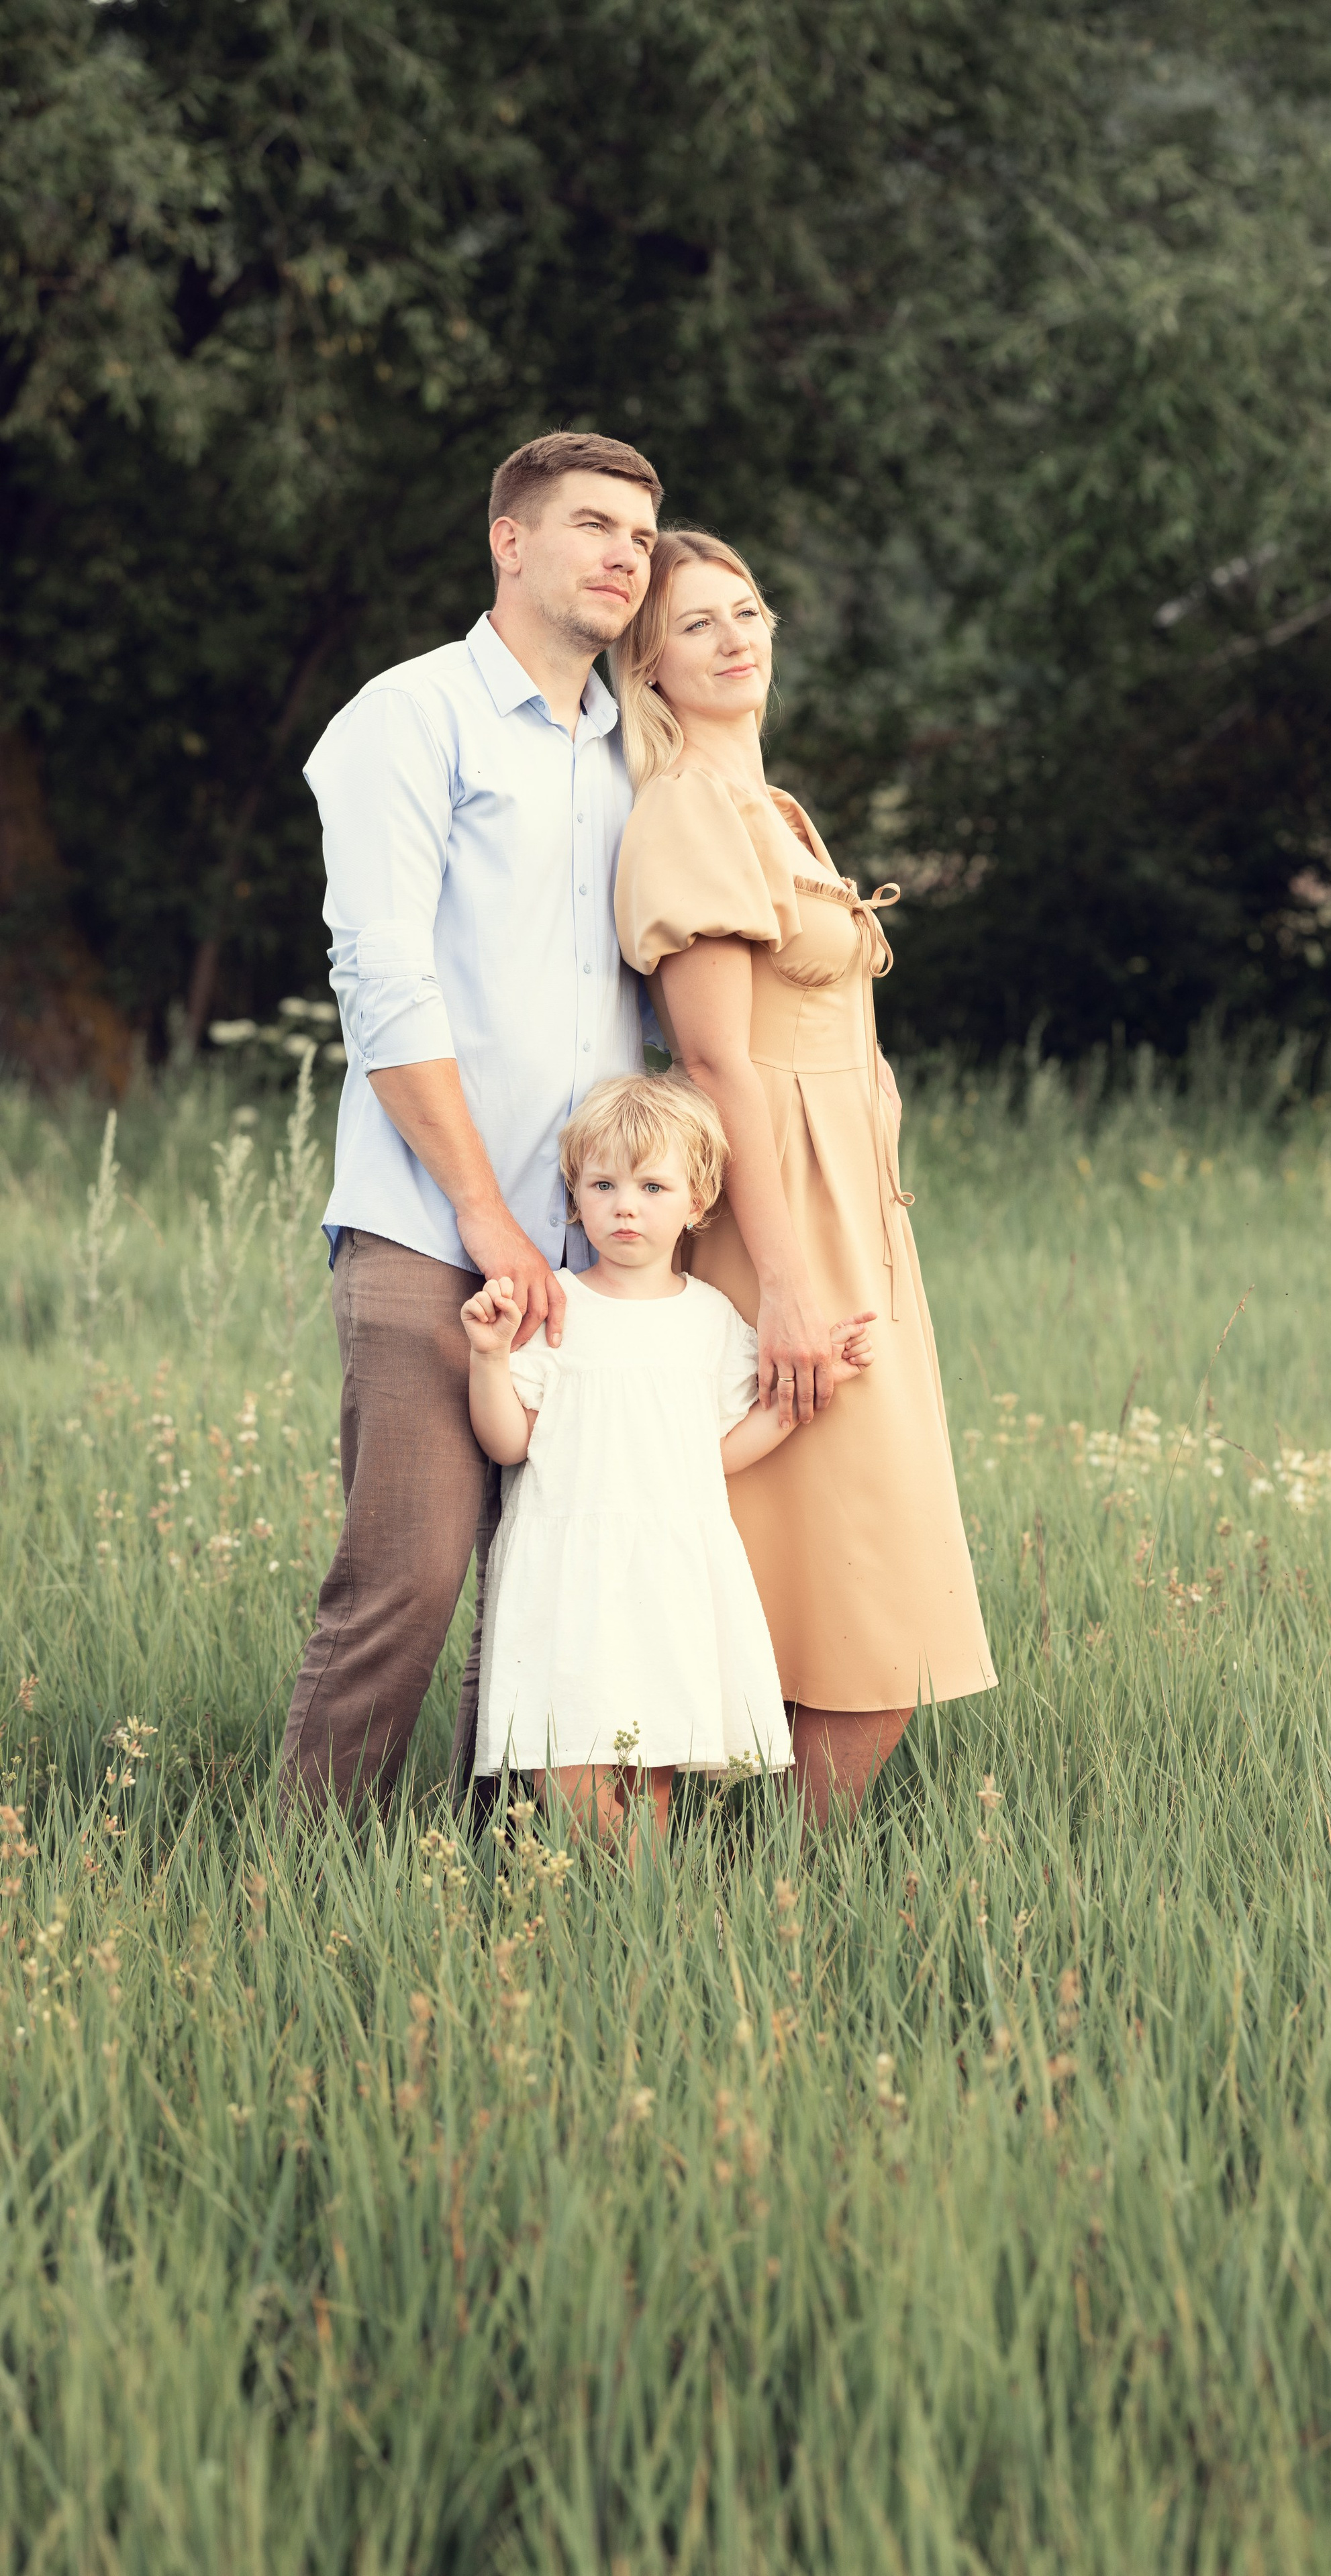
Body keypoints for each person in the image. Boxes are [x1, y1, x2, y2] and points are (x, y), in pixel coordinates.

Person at [279, 430, 664, 1814]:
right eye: (592, 524)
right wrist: (483, 1212)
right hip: (430, 1225)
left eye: (639, 534)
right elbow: (381, 974)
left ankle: (505, 1874)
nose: (623, 553)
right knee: (413, 1565)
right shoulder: (410, 714)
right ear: (510, 540)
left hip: (599, 1247)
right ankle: (306, 1879)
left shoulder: (634, 755)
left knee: (555, 1584)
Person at [612, 529, 997, 1826]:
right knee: (863, 1572)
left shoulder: (775, 809)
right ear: (648, 663)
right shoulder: (688, 810)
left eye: (751, 607)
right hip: (787, 1223)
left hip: (857, 1213)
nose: (738, 635)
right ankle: (751, 1881)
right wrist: (782, 1281)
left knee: (833, 1557)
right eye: (699, 621)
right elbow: (718, 1060)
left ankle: (764, 1888)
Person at [460, 1073, 875, 1847]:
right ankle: (596, 1916)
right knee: (573, 1771)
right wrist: (488, 1358)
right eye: (603, 1183)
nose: (625, 1205)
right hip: (568, 1577)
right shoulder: (553, 1307)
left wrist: (802, 1397)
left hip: (665, 1579)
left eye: (653, 1186)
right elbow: (509, 1442)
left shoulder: (711, 1320)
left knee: (648, 1782)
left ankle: (642, 1931)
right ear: (574, 1196)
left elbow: (711, 1457)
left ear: (698, 1201)